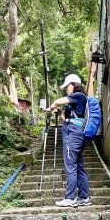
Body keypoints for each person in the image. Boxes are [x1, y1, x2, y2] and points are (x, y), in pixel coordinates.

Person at [47, 74, 91, 208]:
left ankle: (70, 198)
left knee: (70, 165)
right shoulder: (76, 101)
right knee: (78, 165)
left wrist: (50, 108)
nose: (66, 88)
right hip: (75, 132)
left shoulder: (78, 95)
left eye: (68, 86)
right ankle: (84, 197)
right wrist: (60, 113)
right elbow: (66, 120)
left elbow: (58, 101)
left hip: (73, 134)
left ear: (74, 84)